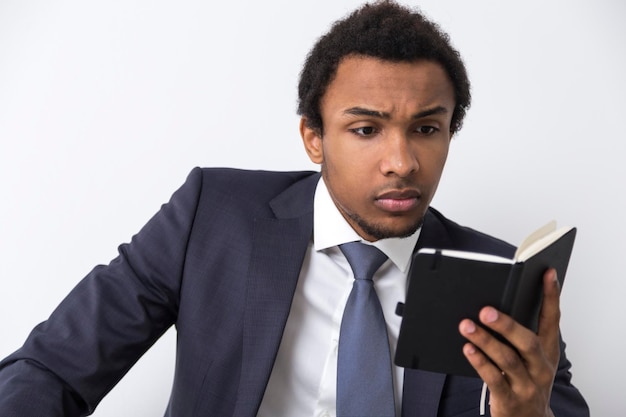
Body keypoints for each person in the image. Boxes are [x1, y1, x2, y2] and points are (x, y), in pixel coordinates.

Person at [0, 1, 588, 416]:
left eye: (427, 128)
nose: (402, 161)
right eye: (366, 130)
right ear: (313, 137)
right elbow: (53, 367)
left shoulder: (497, 275)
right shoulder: (211, 217)